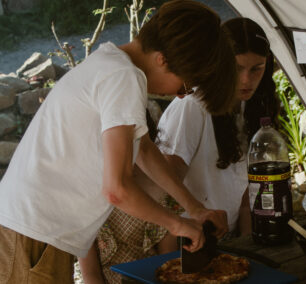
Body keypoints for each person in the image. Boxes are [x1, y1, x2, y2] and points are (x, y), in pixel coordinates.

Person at [0, 1, 237, 283]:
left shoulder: (112, 64)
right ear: (162, 59)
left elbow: (144, 151)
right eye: (185, 84)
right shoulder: (124, 76)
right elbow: (117, 189)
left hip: (35, 233)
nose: (182, 95)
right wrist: (177, 224)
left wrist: (195, 207)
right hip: (32, 235)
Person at [78, 17, 280, 284]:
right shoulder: (191, 105)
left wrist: (247, 243)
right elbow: (163, 182)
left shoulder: (254, 107)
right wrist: (185, 220)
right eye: (237, 68)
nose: (246, 79)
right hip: (189, 239)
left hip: (219, 238)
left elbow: (245, 192)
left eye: (257, 69)